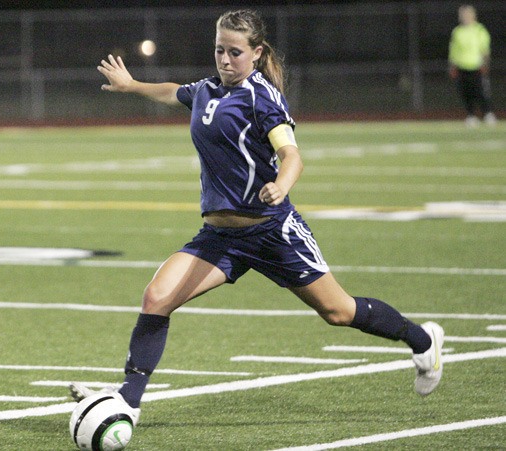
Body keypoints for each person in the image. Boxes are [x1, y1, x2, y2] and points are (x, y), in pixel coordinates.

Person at [70, 8, 444, 431]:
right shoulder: (208, 89)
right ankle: (129, 402)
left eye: (235, 52)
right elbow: (175, 91)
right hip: (218, 237)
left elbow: (291, 154)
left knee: (339, 312)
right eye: (219, 50)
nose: (225, 60)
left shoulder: (261, 96)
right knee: (157, 297)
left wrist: (282, 185)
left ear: (257, 52)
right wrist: (132, 84)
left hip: (271, 231)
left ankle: (423, 340)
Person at [448, 4, 496, 127]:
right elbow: (453, 50)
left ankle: (487, 114)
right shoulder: (457, 31)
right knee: (466, 93)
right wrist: (452, 65)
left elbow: (485, 49)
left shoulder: (479, 29)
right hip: (461, 67)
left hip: (476, 66)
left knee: (481, 92)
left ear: (473, 15)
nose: (465, 17)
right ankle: (471, 115)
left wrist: (485, 64)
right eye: (463, 14)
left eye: (467, 14)